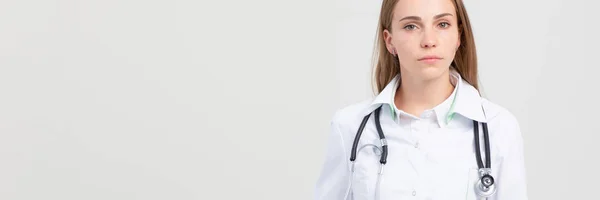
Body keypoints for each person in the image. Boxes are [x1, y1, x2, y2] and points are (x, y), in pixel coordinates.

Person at [314, 0, 528, 199]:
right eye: (411, 26)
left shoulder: (498, 128)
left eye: (442, 24)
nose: (429, 41)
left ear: (458, 36)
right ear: (390, 42)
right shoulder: (350, 127)